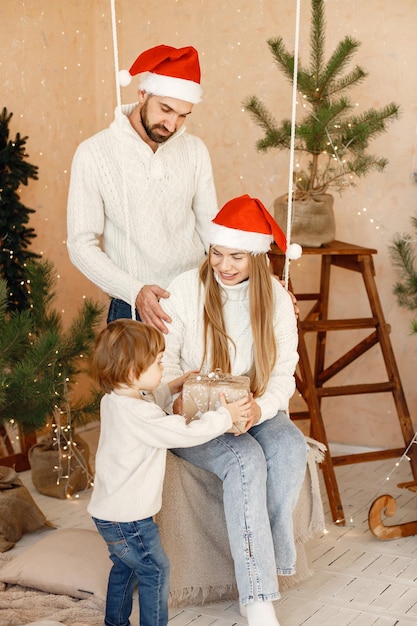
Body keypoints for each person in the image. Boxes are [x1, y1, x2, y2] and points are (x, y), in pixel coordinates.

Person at [160, 195, 308, 626]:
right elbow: (165, 364)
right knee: (245, 461)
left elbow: (284, 374)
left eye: (236, 256)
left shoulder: (277, 300)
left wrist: (257, 411)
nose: (224, 265)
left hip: (252, 406)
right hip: (196, 414)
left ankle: (271, 556)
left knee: (288, 447)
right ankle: (258, 594)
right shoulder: (187, 289)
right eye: (217, 253)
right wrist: (180, 401)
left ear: (257, 256)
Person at [88, 318, 251, 626]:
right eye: (159, 363)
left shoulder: (114, 400)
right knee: (156, 571)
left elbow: (146, 399)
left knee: (125, 568)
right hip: (131, 519)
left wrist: (172, 386)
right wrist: (223, 416)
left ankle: (115, 622)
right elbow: (183, 432)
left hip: (110, 513)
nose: (163, 367)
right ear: (134, 372)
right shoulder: (140, 414)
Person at [67, 44, 218, 333]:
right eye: (166, 109)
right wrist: (134, 290)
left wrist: (262, 289)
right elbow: (80, 244)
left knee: (196, 380)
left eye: (183, 115)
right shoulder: (94, 153)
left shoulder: (195, 151)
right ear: (142, 94)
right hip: (130, 305)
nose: (172, 124)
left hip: (196, 301)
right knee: (136, 381)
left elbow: (213, 233)